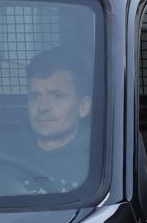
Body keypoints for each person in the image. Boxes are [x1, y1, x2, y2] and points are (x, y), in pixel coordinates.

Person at [15, 47, 94, 190]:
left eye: (56, 96)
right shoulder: (6, 157)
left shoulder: (99, 161)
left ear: (83, 106)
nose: (43, 107)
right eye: (35, 96)